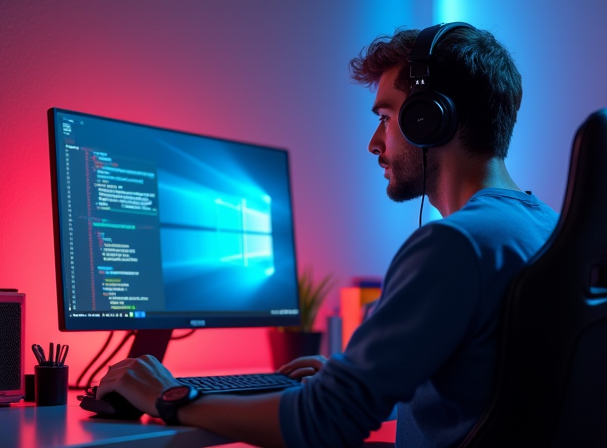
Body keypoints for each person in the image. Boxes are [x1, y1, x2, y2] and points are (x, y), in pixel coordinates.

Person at [96, 23, 558, 448]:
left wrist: (170, 397)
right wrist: (354, 379)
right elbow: (492, 390)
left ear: (429, 119)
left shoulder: (455, 245)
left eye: (387, 116)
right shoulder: (548, 230)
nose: (375, 143)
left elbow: (325, 423)